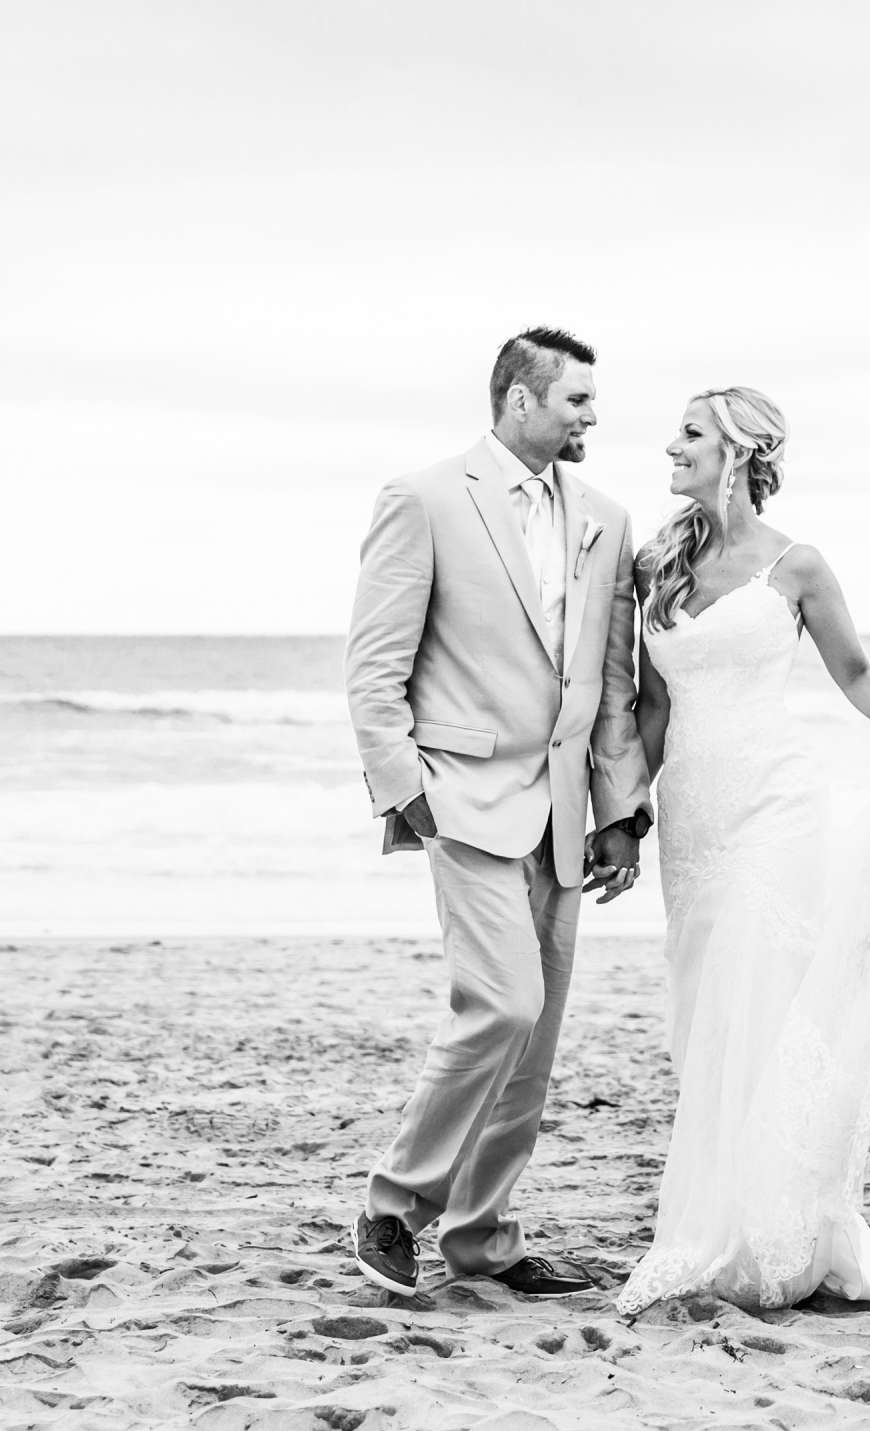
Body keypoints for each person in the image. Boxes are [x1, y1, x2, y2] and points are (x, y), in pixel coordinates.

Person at [616, 386, 870, 1316]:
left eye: (690, 435)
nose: (673, 447)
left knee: (767, 1007)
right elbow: (653, 707)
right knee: (708, 1023)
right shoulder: (658, 561)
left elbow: (854, 671)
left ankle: (776, 1234)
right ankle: (727, 1215)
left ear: (736, 451)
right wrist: (624, 812)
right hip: (694, 816)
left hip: (777, 811)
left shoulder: (798, 566)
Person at [343, 328, 651, 1300]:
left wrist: (617, 812)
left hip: (563, 810)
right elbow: (375, 664)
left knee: (537, 1039)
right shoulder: (425, 499)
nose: (591, 416)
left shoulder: (606, 516)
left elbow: (607, 678)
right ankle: (395, 1206)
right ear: (520, 399)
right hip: (463, 798)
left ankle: (482, 1239)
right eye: (576, 400)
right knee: (501, 1005)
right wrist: (408, 790)